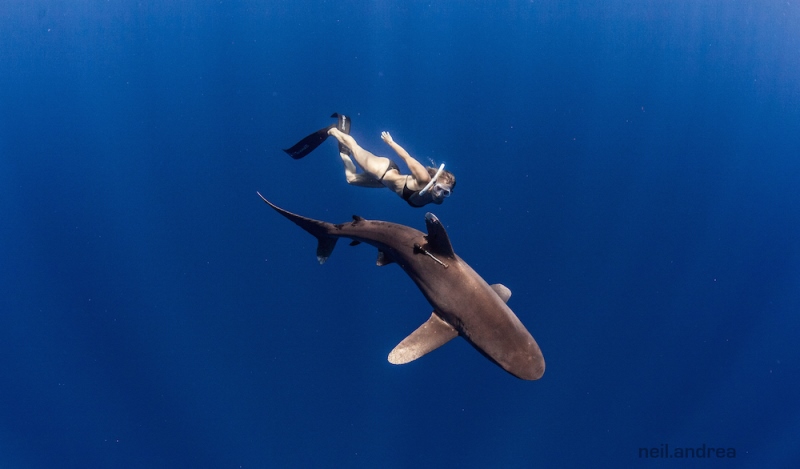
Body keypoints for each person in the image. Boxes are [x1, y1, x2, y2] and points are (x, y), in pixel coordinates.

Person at [283, 114, 455, 207]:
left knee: (351, 179)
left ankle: (344, 153)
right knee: (356, 148)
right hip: (382, 170)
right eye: (439, 189)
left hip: (383, 183)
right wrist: (391, 142)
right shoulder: (424, 178)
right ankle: (333, 131)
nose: (440, 194)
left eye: (445, 193)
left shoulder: (435, 201)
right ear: (433, 184)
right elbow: (406, 157)